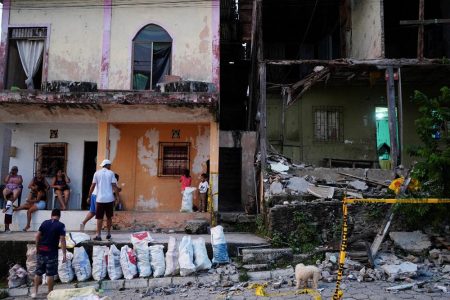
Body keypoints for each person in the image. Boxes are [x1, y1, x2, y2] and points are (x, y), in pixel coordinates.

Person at [31, 209, 66, 299]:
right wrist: (64, 254)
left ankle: (35, 292)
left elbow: (37, 236)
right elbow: (62, 240)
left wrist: (37, 248)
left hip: (42, 251)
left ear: (51, 215)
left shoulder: (44, 223)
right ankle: (49, 294)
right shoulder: (61, 225)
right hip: (52, 253)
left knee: (38, 272)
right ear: (59, 216)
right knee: (50, 274)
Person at [88, 159, 119, 241]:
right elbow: (114, 186)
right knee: (109, 217)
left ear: (103, 165)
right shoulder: (111, 173)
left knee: (99, 218)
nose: (110, 167)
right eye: (110, 165)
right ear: (108, 165)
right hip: (109, 199)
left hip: (100, 199)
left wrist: (89, 196)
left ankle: (98, 235)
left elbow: (92, 186)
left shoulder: (97, 173)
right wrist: (117, 198)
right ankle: (108, 233)